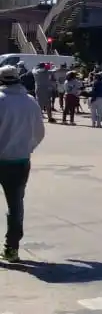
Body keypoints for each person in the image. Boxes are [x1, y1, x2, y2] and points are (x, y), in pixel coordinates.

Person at [0, 65, 46, 263]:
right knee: (15, 205)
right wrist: (27, 148)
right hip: (19, 161)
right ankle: (11, 249)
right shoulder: (30, 102)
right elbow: (39, 132)